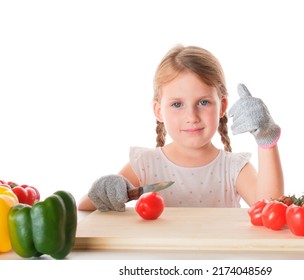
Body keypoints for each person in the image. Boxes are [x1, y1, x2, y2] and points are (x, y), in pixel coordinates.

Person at [78, 44, 284, 212]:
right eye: (177, 104)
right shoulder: (145, 164)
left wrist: (266, 140)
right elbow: (85, 208)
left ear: (222, 106)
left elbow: (270, 207)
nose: (191, 117)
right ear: (159, 111)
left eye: (203, 102)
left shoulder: (233, 168)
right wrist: (104, 188)